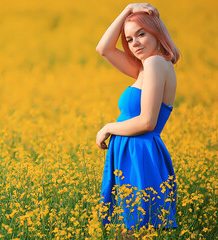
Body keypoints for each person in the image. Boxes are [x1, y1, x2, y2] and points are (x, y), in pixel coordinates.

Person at [95, 2, 180, 235]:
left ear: (156, 32)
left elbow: (147, 122)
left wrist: (108, 128)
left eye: (141, 34)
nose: (135, 44)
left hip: (139, 156)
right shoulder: (147, 67)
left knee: (134, 231)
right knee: (130, 231)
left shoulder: (154, 63)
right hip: (133, 154)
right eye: (129, 39)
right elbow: (104, 49)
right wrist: (127, 10)